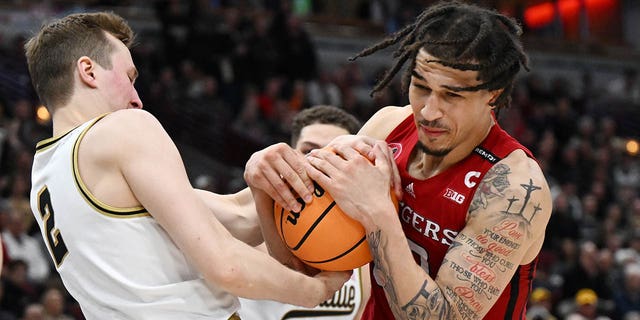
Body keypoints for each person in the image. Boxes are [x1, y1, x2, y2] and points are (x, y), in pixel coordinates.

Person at [25, 11, 349, 320]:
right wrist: (315, 289)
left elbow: (235, 217)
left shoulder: (45, 175)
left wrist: (284, 173)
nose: (137, 98)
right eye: (129, 76)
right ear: (88, 70)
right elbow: (226, 266)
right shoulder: (123, 128)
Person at [244, 1, 553, 319]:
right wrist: (263, 190)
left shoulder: (513, 188)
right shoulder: (386, 128)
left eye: (452, 95)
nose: (430, 111)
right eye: (420, 87)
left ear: (494, 94)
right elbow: (305, 272)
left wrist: (377, 212)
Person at [238, 105, 369, 319]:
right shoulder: (251, 220)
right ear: (290, 152)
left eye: (333, 152)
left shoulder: (364, 246)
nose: (319, 161)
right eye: (308, 151)